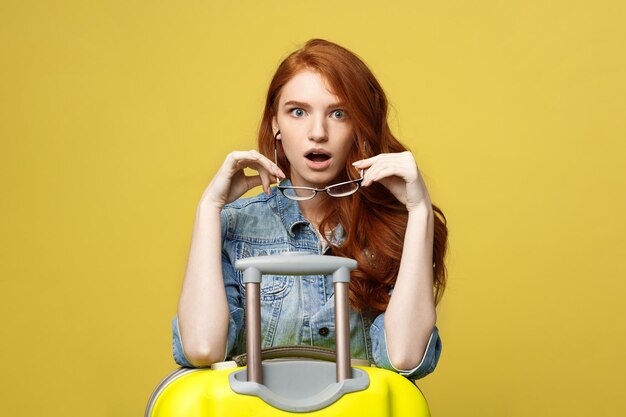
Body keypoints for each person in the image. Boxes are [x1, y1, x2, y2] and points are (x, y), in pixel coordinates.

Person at [173, 39, 448, 380]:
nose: (318, 133)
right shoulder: (236, 225)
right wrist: (208, 209)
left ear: (357, 126)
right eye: (298, 112)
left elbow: (405, 357)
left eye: (338, 113)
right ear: (275, 123)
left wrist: (418, 210)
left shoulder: (392, 228)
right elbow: (201, 347)